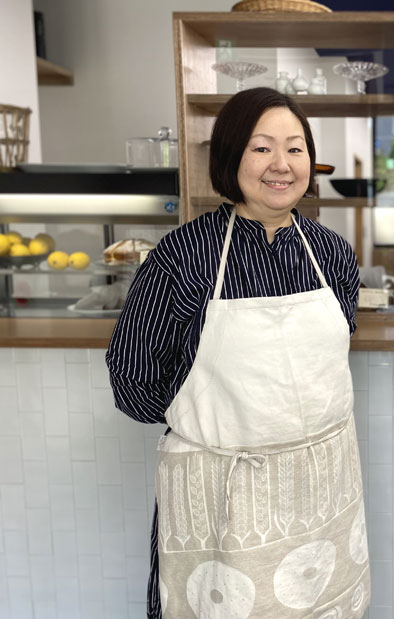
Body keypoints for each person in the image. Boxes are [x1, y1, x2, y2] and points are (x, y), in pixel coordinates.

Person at [106, 87, 369, 618]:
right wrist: (212, 425)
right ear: (230, 157)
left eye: (295, 149)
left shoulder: (333, 252)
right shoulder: (184, 256)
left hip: (323, 486)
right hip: (225, 496)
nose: (282, 165)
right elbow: (133, 379)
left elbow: (336, 348)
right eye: (261, 147)